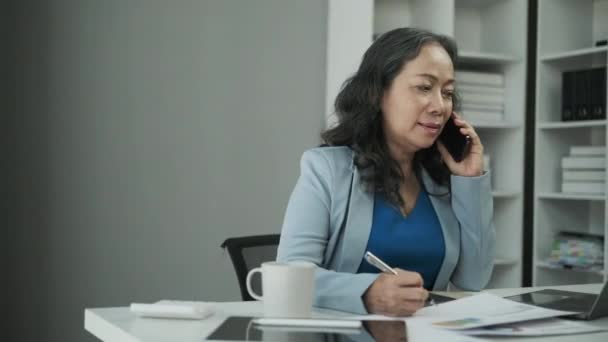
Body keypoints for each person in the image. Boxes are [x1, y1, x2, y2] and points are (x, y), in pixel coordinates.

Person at [276, 27, 495, 316]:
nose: (439, 106)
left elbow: (474, 279)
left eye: (448, 93)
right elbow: (292, 276)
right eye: (424, 87)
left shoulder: (442, 178)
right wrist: (365, 292)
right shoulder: (325, 170)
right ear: (379, 92)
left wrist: (470, 181)